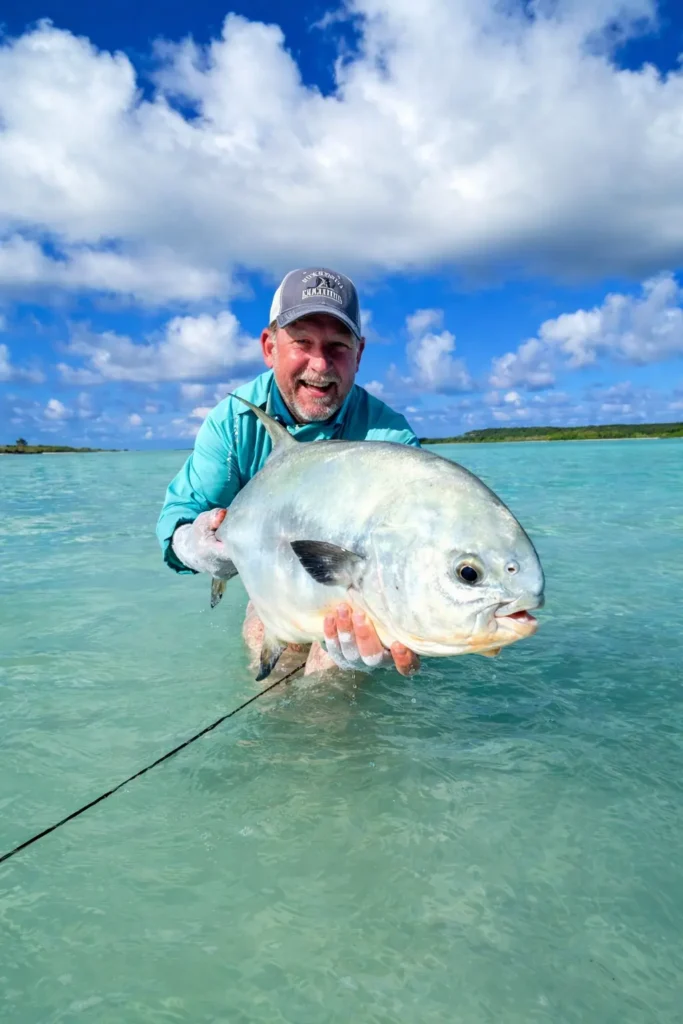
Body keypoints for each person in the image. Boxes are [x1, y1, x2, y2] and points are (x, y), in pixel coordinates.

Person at [156, 267, 421, 677]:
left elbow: (414, 552)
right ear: (269, 346)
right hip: (276, 581)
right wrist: (195, 544)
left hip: (359, 592)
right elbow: (181, 517)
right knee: (263, 648)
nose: (320, 364)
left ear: (359, 354)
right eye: (302, 342)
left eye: (337, 346)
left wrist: (399, 629)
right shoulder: (233, 422)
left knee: (333, 677)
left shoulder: (390, 441)